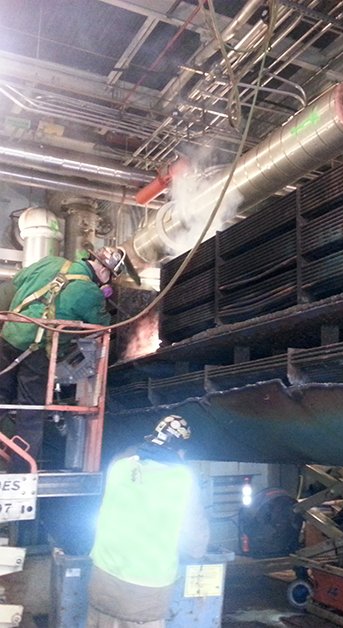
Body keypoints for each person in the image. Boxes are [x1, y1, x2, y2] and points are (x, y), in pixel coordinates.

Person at [0, 247, 130, 472]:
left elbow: (19, 279)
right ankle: (21, 471)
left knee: (1, 397)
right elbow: (103, 324)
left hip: (8, 339)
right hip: (38, 355)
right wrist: (103, 298)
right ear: (105, 271)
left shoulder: (50, 261)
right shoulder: (89, 291)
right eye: (110, 278)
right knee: (31, 412)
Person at [87, 415, 209, 628]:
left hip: (102, 581)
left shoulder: (120, 467)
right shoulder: (182, 479)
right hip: (144, 593)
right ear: (181, 451)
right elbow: (196, 543)